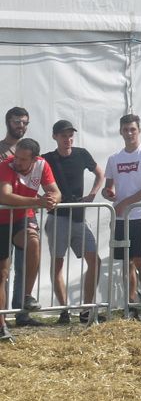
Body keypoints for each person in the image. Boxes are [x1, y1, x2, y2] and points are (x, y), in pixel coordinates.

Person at [42, 120, 104, 324]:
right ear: (55, 137)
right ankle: (64, 310)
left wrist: (92, 194)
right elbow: (32, 177)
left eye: (70, 135)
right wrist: (41, 199)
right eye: (63, 135)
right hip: (57, 217)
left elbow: (100, 173)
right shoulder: (46, 159)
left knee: (94, 260)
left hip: (78, 217)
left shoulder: (81, 154)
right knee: (57, 263)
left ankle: (86, 309)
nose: (68, 139)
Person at [103, 114, 141, 322]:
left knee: (139, 259)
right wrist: (108, 193)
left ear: (139, 131)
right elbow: (108, 187)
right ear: (120, 131)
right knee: (126, 262)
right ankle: (131, 303)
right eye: (125, 130)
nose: (129, 133)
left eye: (132, 129)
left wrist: (126, 202)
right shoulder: (114, 159)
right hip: (121, 217)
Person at [0, 139, 59, 338]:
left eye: (23, 159)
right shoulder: (6, 165)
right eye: (16, 156)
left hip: (22, 218)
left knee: (34, 241)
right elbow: (5, 196)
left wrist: (51, 200)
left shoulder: (42, 165)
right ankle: (1, 324)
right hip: (1, 221)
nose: (16, 161)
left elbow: (56, 192)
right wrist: (37, 201)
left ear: (34, 159)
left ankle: (27, 296)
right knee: (2, 273)